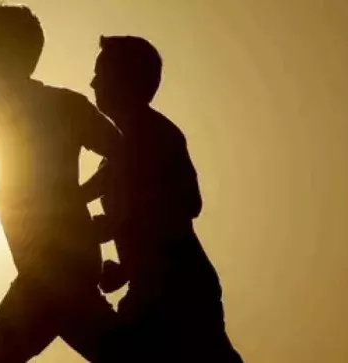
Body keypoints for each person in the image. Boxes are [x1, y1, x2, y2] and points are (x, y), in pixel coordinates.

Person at [0, 5, 124, 362]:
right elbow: (22, 175)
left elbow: (125, 154)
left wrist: (86, 194)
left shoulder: (66, 106)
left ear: (5, 50)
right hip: (39, 265)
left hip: (60, 265)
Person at [82, 35, 243, 362]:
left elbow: (188, 203)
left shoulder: (157, 135)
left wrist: (116, 225)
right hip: (151, 288)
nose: (93, 81)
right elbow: (79, 197)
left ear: (125, 80)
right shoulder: (116, 150)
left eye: (101, 73)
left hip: (178, 290)